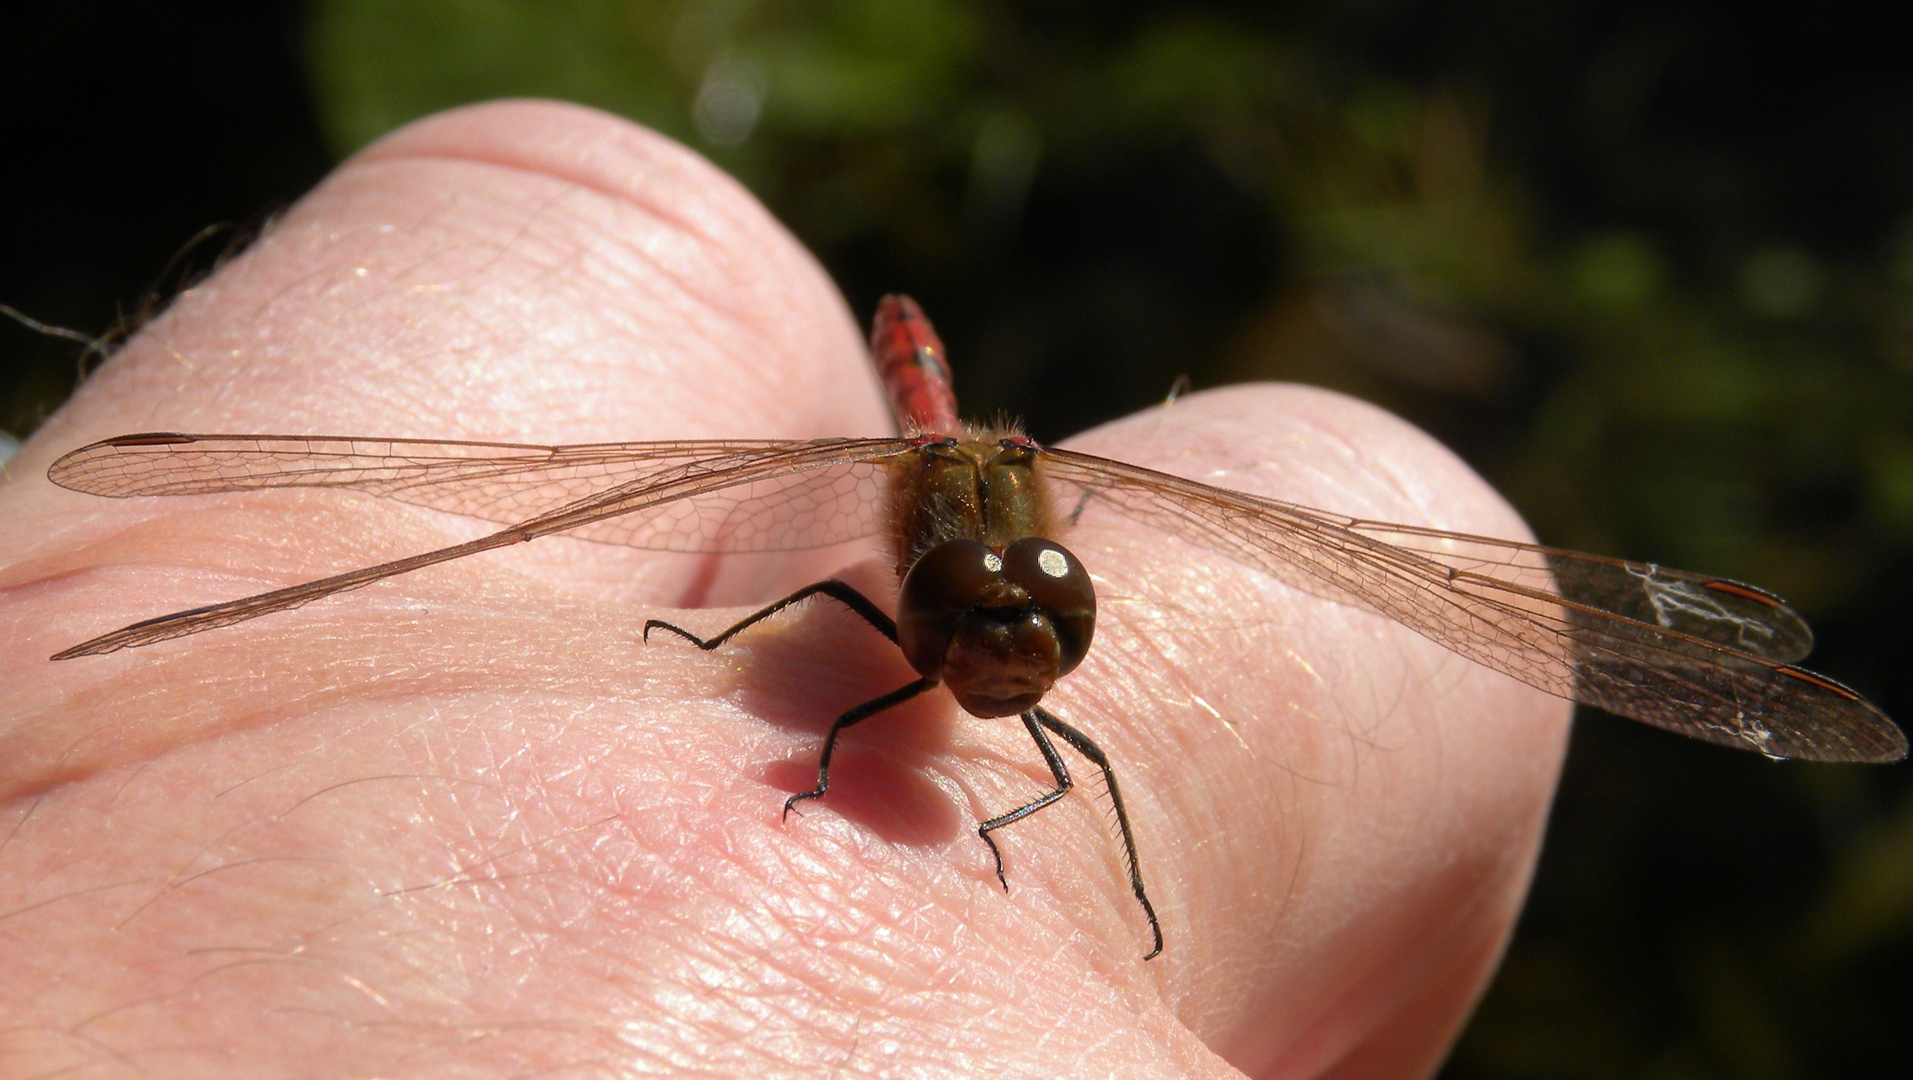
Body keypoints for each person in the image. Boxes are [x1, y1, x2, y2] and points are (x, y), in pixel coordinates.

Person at [0, 101, 1567, 1077]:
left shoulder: (1006, 608)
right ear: (928, 587)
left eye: (1040, 622)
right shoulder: (909, 581)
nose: (1005, 651)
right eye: (974, 614)